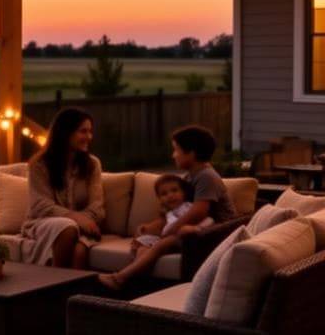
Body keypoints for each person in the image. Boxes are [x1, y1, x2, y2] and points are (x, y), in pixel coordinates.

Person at [99, 124, 237, 291]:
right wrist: (149, 228)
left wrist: (171, 230)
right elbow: (174, 212)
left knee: (160, 244)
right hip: (191, 229)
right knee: (142, 244)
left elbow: (199, 212)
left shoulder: (206, 176)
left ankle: (119, 279)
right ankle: (137, 285)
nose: (173, 155)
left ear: (191, 153)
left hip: (214, 232)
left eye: (176, 150)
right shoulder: (189, 177)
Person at [22, 107, 104, 269]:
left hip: (85, 225)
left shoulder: (92, 164)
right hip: (43, 222)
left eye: (90, 132)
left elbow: (97, 207)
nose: (89, 137)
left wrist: (82, 220)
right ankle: (55, 282)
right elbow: (40, 206)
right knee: (67, 227)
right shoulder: (39, 164)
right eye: (83, 131)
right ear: (66, 133)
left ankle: (70, 292)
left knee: (79, 252)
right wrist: (74, 217)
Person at [131, 172, 212, 250]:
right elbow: (162, 230)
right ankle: (141, 258)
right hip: (166, 238)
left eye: (174, 190)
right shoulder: (167, 214)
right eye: (164, 194)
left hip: (182, 236)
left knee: (184, 230)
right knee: (141, 245)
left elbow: (208, 220)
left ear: (183, 193)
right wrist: (144, 229)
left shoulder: (188, 207)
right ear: (160, 199)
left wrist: (198, 228)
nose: (170, 195)